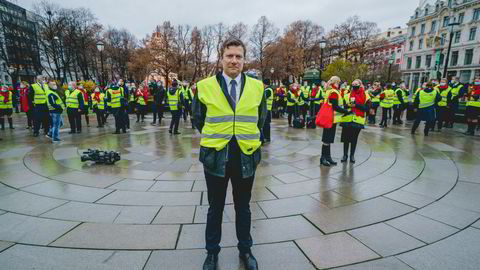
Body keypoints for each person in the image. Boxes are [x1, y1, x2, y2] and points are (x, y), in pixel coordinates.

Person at [193, 37, 266, 270]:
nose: (234, 60)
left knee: (243, 206)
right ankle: (211, 253)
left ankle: (245, 250)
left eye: (238, 56)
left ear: (244, 60)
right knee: (215, 207)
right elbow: (198, 118)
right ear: (221, 58)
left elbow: (261, 119)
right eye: (229, 56)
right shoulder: (204, 86)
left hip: (246, 153)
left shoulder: (258, 86)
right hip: (216, 155)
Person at [320, 76, 351, 167]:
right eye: (339, 82)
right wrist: (346, 111)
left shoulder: (330, 90)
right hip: (331, 118)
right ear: (336, 82)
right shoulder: (333, 91)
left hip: (330, 118)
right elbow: (335, 106)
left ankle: (327, 157)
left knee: (328, 139)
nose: (340, 83)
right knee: (327, 139)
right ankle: (323, 158)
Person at [340, 79, 370, 163]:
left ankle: (352, 155)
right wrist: (348, 105)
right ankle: (345, 155)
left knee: (354, 139)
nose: (354, 85)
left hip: (358, 120)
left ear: (360, 85)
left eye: (356, 84)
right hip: (347, 119)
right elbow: (343, 106)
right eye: (353, 84)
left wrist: (356, 105)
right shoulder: (347, 95)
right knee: (346, 139)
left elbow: (367, 108)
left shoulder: (366, 95)